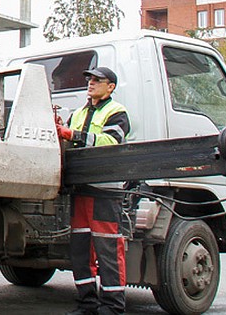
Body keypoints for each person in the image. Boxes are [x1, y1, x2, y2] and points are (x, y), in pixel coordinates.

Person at [55, 65, 131, 315]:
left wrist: (71, 133)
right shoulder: (78, 113)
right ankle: (87, 304)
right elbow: (65, 138)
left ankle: (112, 307)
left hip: (105, 193)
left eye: (98, 80)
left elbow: (110, 141)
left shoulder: (117, 112)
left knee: (108, 250)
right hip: (81, 190)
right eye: (89, 79)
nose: (91, 83)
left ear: (111, 87)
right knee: (80, 250)